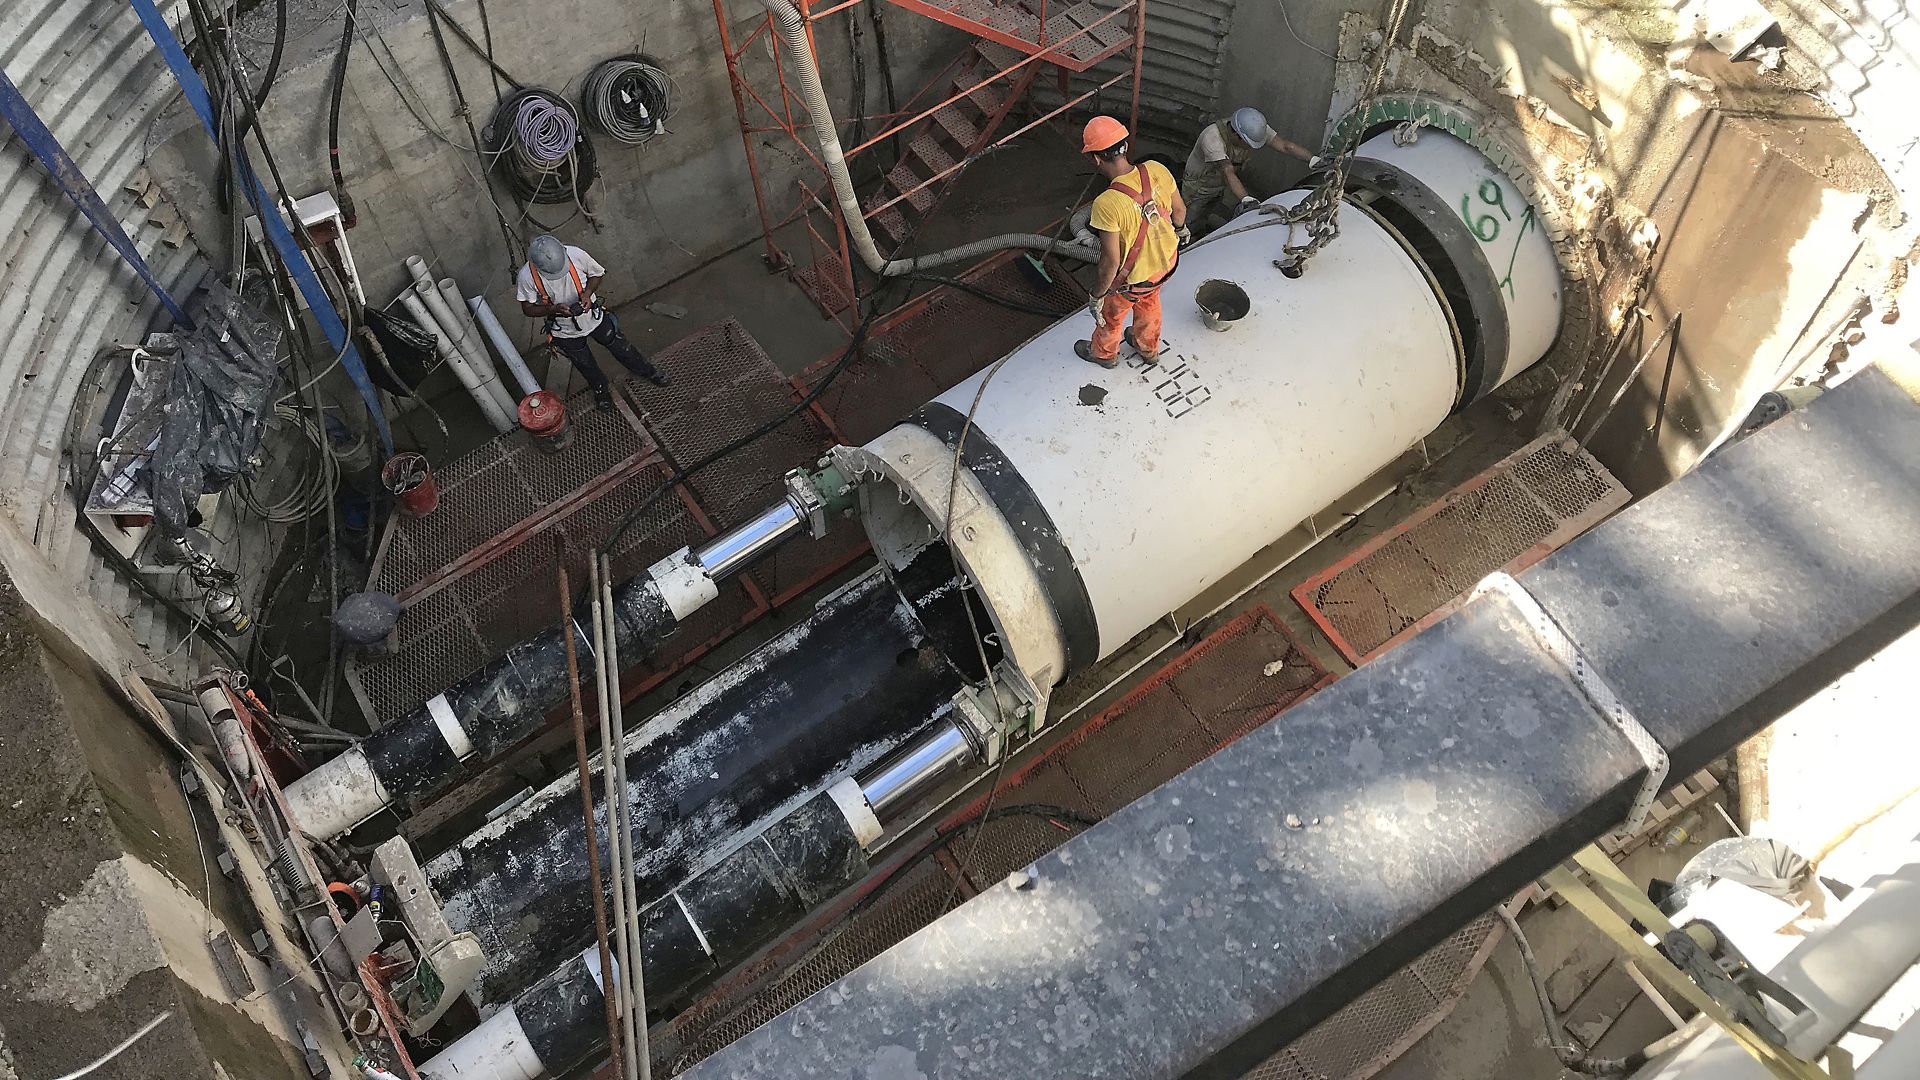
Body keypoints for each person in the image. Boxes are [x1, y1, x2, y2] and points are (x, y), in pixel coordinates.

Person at [1075, 115, 1186, 370]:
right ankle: (1147, 348)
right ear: (1125, 146)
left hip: (1133, 278)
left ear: (1096, 158)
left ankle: (1104, 354)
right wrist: (1180, 231)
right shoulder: (1157, 169)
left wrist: (1097, 295)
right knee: (1149, 302)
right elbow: (1179, 212)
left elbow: (1111, 261)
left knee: (1111, 315)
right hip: (1166, 265)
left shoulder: (1107, 203)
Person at [516, 234, 669, 410]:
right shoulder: (526, 277)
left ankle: (648, 371)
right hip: (564, 330)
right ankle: (600, 390)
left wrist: (587, 294)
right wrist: (554, 309)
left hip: (594, 317)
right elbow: (527, 309)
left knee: (621, 346)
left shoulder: (576, 255)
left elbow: (597, 274)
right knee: (584, 363)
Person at [1182, 107, 1318, 236]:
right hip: (1200, 184)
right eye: (1247, 143)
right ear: (1235, 134)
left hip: (1221, 182)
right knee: (1190, 218)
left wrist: (1313, 160)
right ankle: (1186, 242)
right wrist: (1246, 200)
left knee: (1210, 207)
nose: (1249, 147)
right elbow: (1227, 171)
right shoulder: (1212, 139)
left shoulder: (1256, 129)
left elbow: (1286, 146)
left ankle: (1202, 226)